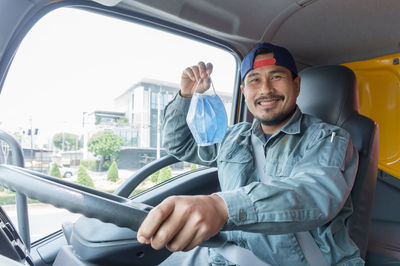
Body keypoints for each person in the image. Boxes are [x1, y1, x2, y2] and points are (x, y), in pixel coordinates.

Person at [137, 43, 364, 265]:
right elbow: (179, 145)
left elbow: (314, 194)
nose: (265, 89)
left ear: (296, 85)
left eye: (276, 77)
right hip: (223, 256)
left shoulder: (329, 138)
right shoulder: (234, 137)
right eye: (254, 79)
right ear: (244, 91)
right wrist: (186, 96)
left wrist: (221, 207)